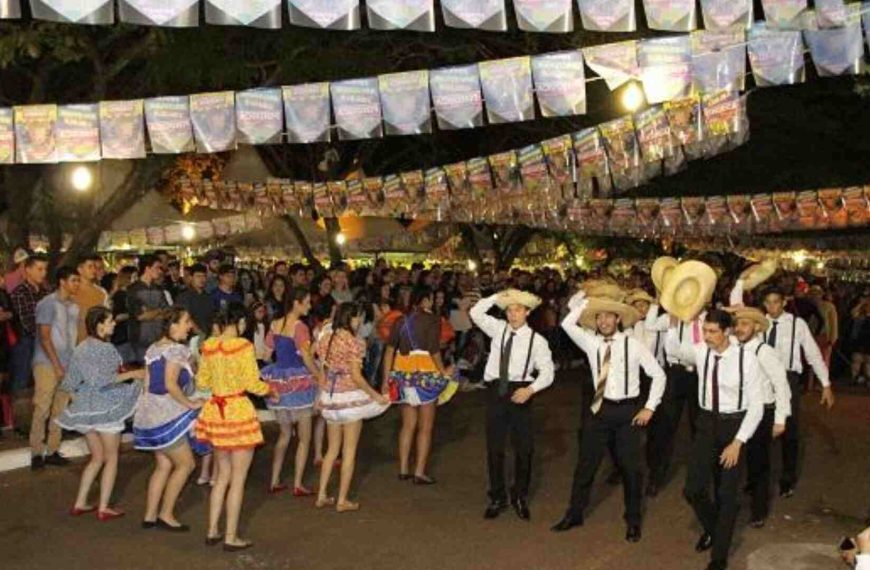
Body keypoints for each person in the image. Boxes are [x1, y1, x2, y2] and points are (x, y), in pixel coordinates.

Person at [551, 290, 666, 542]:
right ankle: (574, 513)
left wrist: (650, 407)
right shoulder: (591, 342)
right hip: (599, 409)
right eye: (599, 317)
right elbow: (567, 323)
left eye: (609, 317)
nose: (604, 321)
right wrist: (584, 298)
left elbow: (658, 374)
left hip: (627, 412)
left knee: (631, 469)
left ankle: (633, 520)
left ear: (618, 319)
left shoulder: (634, 344)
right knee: (586, 464)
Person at [666, 310, 764, 570]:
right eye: (705, 331)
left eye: (712, 332)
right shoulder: (701, 351)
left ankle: (718, 557)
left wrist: (738, 442)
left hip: (735, 426)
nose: (706, 336)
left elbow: (757, 407)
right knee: (693, 489)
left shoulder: (747, 360)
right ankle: (714, 529)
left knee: (727, 494)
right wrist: (674, 321)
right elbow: (674, 348)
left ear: (727, 332)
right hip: (707, 424)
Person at [469, 289, 555, 521]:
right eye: (509, 310)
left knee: (523, 449)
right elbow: (476, 312)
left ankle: (519, 496)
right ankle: (497, 496)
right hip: (496, 391)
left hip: (521, 391)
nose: (512, 314)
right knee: (495, 448)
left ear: (527, 312)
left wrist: (530, 390)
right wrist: (498, 297)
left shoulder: (537, 341)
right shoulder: (498, 329)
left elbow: (548, 372)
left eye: (518, 309)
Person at [195, 303, 273, 551]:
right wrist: (270, 389)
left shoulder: (208, 346)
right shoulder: (243, 346)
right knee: (238, 480)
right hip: (238, 411)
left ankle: (212, 530)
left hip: (216, 413)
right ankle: (231, 536)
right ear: (239, 323)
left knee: (221, 476)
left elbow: (202, 381)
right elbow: (252, 382)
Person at [57, 306, 144, 520]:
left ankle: (80, 502)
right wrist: (136, 374)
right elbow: (104, 380)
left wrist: (79, 401)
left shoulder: (80, 347)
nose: (114, 323)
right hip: (106, 409)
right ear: (99, 325)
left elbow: (69, 382)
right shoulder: (106, 349)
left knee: (96, 458)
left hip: (86, 410)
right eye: (110, 321)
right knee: (111, 458)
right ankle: (104, 507)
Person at [753, 283, 835, 498]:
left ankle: (787, 478)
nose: (772, 306)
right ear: (763, 304)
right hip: (762, 377)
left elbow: (813, 354)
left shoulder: (796, 324)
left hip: (787, 378)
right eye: (768, 302)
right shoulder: (759, 323)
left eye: (776, 302)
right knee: (759, 427)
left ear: (784, 302)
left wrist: (825, 384)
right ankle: (757, 478)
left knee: (789, 430)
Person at [315, 302, 390, 512]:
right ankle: (342, 500)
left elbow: (323, 370)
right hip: (350, 400)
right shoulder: (355, 342)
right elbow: (357, 377)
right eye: (358, 318)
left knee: (331, 450)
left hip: (330, 400)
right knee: (349, 452)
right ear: (350, 318)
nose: (359, 322)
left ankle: (321, 494)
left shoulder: (325, 338)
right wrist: (376, 396)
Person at [133, 307, 202, 531]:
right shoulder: (176, 350)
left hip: (150, 412)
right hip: (165, 414)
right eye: (186, 321)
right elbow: (171, 384)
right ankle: (166, 514)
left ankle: (150, 515)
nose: (189, 326)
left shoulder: (154, 348)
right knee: (186, 464)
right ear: (172, 326)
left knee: (163, 465)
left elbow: (147, 383)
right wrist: (191, 404)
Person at [725, 305, 791, 529]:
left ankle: (759, 510)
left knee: (759, 463)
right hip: (739, 411)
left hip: (763, 412)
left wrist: (781, 419)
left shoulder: (764, 352)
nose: (740, 329)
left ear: (756, 327)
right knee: (734, 459)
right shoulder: (732, 348)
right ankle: (732, 501)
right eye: (737, 324)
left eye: (745, 324)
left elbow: (781, 385)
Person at [383, 286, 456, 484]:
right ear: (426, 301)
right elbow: (434, 350)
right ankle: (419, 472)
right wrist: (444, 373)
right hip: (426, 374)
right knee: (426, 427)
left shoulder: (399, 320)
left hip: (402, 374)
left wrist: (385, 381)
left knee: (407, 425)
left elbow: (389, 351)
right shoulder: (433, 320)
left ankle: (403, 468)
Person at [262, 288, 322, 496]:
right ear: (296, 303)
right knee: (304, 438)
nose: (309, 306)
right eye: (306, 302)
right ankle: (297, 483)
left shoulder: (275, 324)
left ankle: (274, 479)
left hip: (279, 381)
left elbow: (267, 353)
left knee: (284, 435)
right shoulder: (300, 327)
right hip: (299, 384)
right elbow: (306, 358)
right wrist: (319, 376)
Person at [30, 266, 81, 471]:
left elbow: (73, 336)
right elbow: (45, 337)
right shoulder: (48, 304)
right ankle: (36, 453)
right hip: (46, 362)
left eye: (78, 281)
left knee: (60, 408)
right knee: (42, 406)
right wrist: (57, 365)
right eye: (74, 280)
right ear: (62, 281)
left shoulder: (74, 306)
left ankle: (52, 450)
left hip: (67, 361)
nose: (77, 284)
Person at [9, 254, 48, 394]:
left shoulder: (45, 292)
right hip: (26, 343)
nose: (43, 273)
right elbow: (28, 322)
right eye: (39, 269)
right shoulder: (20, 293)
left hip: (43, 341)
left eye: (45, 269)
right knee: (22, 381)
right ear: (28, 270)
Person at [127, 255, 170, 363]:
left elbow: (168, 312)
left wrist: (150, 312)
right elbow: (140, 315)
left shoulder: (158, 289)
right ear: (147, 268)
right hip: (140, 341)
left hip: (158, 339)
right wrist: (159, 311)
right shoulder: (133, 289)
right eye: (157, 267)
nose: (160, 271)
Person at [72, 254, 109, 343]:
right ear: (80, 269)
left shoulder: (101, 293)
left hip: (96, 343)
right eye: (90, 267)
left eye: (95, 267)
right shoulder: (71, 291)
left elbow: (106, 319)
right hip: (73, 344)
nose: (94, 270)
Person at [175, 263, 215, 343]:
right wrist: (200, 334)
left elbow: (212, 317)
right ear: (191, 277)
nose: (202, 279)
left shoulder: (209, 297)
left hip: (208, 338)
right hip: (189, 339)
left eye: (204, 276)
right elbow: (185, 317)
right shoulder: (184, 296)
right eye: (198, 276)